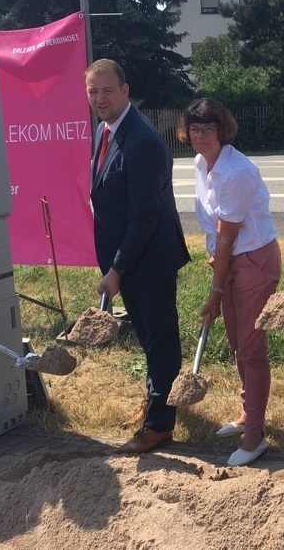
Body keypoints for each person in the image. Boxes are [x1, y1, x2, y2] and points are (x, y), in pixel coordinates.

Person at [86, 58, 191, 454]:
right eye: (93, 91)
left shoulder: (143, 140)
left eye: (107, 90)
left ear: (125, 90)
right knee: (149, 341)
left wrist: (117, 268)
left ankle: (160, 426)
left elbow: (143, 215)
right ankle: (155, 402)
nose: (99, 98)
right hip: (129, 258)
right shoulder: (106, 130)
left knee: (160, 340)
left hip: (148, 260)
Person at [177, 98, 281, 467]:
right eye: (194, 128)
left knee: (251, 350)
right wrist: (218, 274)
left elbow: (228, 236)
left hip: (252, 261)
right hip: (229, 259)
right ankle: (247, 415)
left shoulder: (235, 172)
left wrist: (215, 292)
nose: (201, 135)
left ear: (222, 130)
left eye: (208, 129)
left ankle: (256, 437)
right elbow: (214, 231)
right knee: (239, 344)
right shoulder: (201, 164)